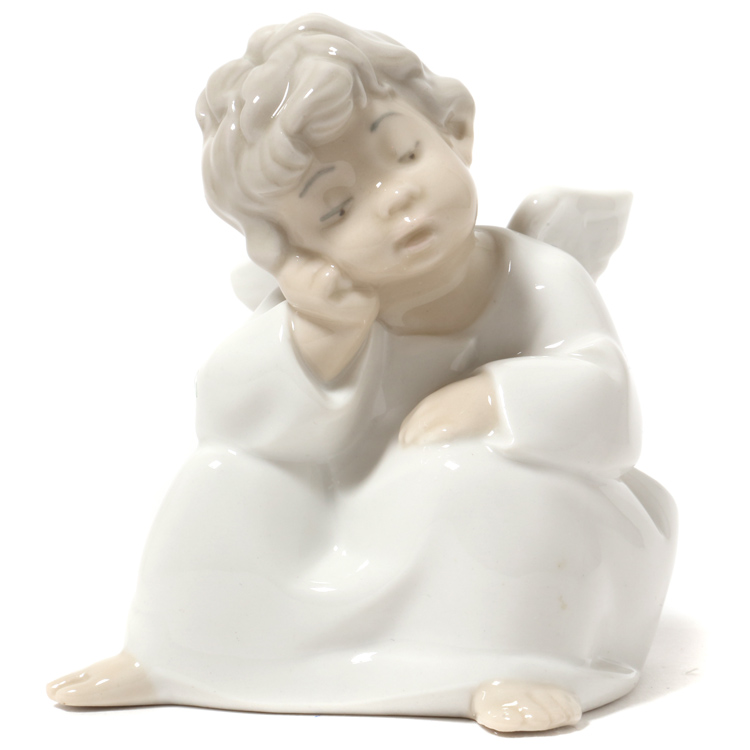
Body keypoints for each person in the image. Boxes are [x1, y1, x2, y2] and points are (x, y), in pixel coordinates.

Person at [47, 15, 676, 733]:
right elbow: (226, 415)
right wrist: (320, 338)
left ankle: (514, 663)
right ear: (291, 249)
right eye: (338, 208)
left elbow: (606, 401)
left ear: (456, 130)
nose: (394, 199)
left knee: (478, 479)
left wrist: (497, 398)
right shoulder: (321, 311)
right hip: (350, 516)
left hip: (501, 517)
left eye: (405, 154)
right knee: (223, 474)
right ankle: (180, 651)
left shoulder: (537, 277)